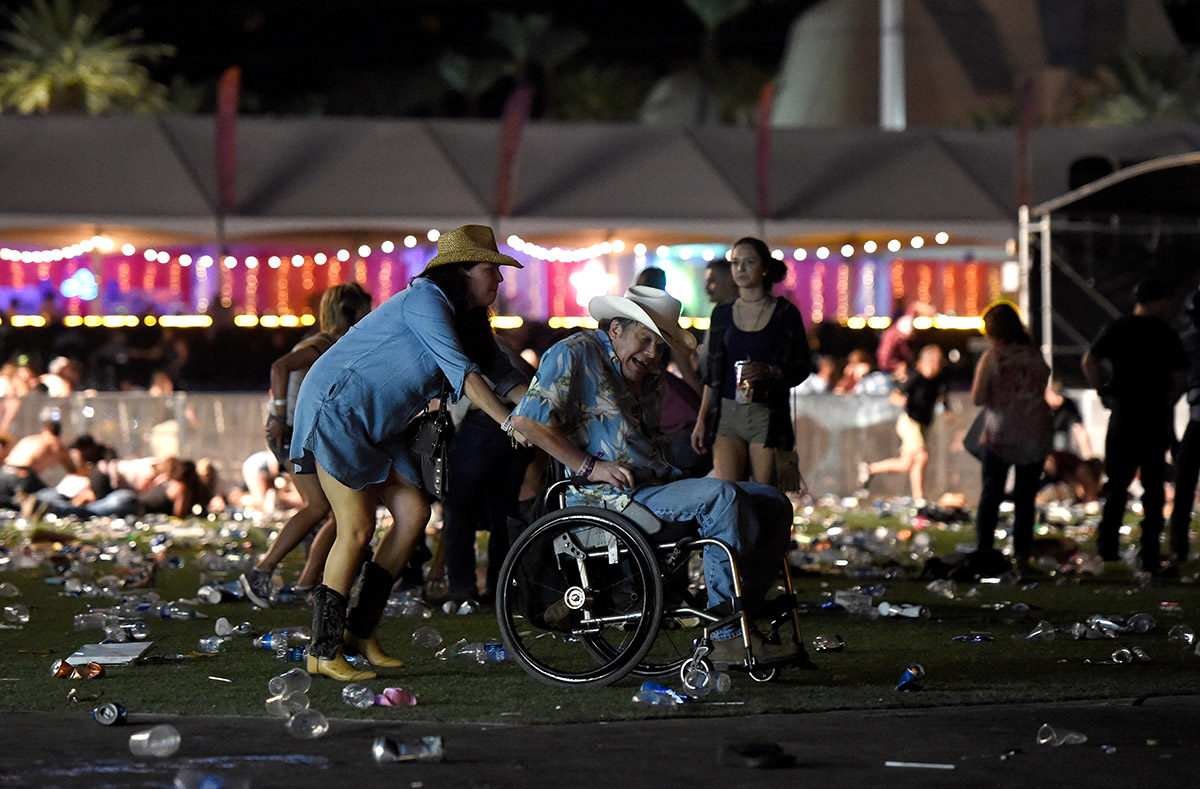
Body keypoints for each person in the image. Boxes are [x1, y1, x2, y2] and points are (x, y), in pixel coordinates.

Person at [510, 285, 803, 667]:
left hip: (653, 487)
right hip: (606, 498)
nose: (653, 353)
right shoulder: (573, 353)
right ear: (615, 329)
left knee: (773, 500)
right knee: (723, 497)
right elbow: (527, 422)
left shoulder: (647, 374)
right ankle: (727, 636)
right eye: (645, 339)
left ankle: (744, 613)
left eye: (660, 344)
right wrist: (590, 466)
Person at [290, 224, 528, 681]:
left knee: (414, 514)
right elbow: (466, 376)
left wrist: (548, 413)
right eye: (490, 270)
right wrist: (507, 422)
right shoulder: (426, 300)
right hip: (337, 410)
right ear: (461, 271)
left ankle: (359, 633)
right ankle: (321, 651)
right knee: (357, 529)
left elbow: (505, 378)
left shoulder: (468, 318)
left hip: (380, 424)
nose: (498, 280)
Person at [240, 282, 373, 607]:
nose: (370, 317)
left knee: (332, 512)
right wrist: (279, 416)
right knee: (319, 507)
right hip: (293, 433)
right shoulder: (323, 343)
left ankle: (306, 582)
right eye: (365, 310)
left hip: (303, 432)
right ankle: (262, 571)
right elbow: (280, 367)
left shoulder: (332, 342)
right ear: (348, 311)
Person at [1083, 277, 1187, 572]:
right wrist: (1168, 400)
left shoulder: (1118, 328)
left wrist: (1103, 390)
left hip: (1123, 414)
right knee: (1153, 487)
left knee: (1116, 484)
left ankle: (1108, 547)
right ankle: (1150, 551)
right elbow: (1180, 377)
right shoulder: (1167, 334)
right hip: (1154, 416)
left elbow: (1089, 360)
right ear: (1159, 301)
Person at [692, 237, 812, 486]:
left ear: (764, 267)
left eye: (749, 262)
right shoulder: (722, 313)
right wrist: (702, 420)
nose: (741, 269)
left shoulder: (784, 313)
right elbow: (712, 374)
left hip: (766, 414)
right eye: (736, 263)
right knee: (729, 493)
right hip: (726, 413)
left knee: (764, 495)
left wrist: (770, 371)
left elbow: (801, 366)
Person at [969, 303, 1052, 575]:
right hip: (1035, 432)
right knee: (1026, 498)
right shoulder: (1034, 354)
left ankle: (985, 550)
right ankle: (1022, 556)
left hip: (1001, 434)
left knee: (991, 495)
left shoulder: (993, 357)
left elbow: (978, 397)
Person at [858, 345, 949, 503]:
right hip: (909, 422)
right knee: (921, 456)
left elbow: (942, 396)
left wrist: (948, 411)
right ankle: (919, 497)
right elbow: (895, 396)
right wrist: (903, 400)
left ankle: (870, 469)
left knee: (907, 464)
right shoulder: (916, 377)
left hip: (924, 424)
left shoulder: (938, 379)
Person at [1166, 290, 1200, 568]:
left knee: (1184, 485)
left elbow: (1175, 387)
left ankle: (1178, 549)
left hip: (1197, 421)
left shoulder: (1186, 342)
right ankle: (1177, 547)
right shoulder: (1186, 342)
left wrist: (1172, 438)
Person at [0, 409, 76, 507]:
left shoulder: (30, 439)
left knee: (10, 503)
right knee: (48, 496)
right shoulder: (55, 444)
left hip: (4, 472)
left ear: (44, 429)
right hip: (22, 473)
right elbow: (73, 470)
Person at [1043, 381, 1101, 502]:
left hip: (1064, 454)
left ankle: (1090, 501)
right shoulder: (1040, 408)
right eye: (1057, 397)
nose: (1060, 401)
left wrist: (1088, 456)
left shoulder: (1067, 406)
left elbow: (1079, 430)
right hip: (1044, 455)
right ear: (1047, 394)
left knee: (1084, 470)